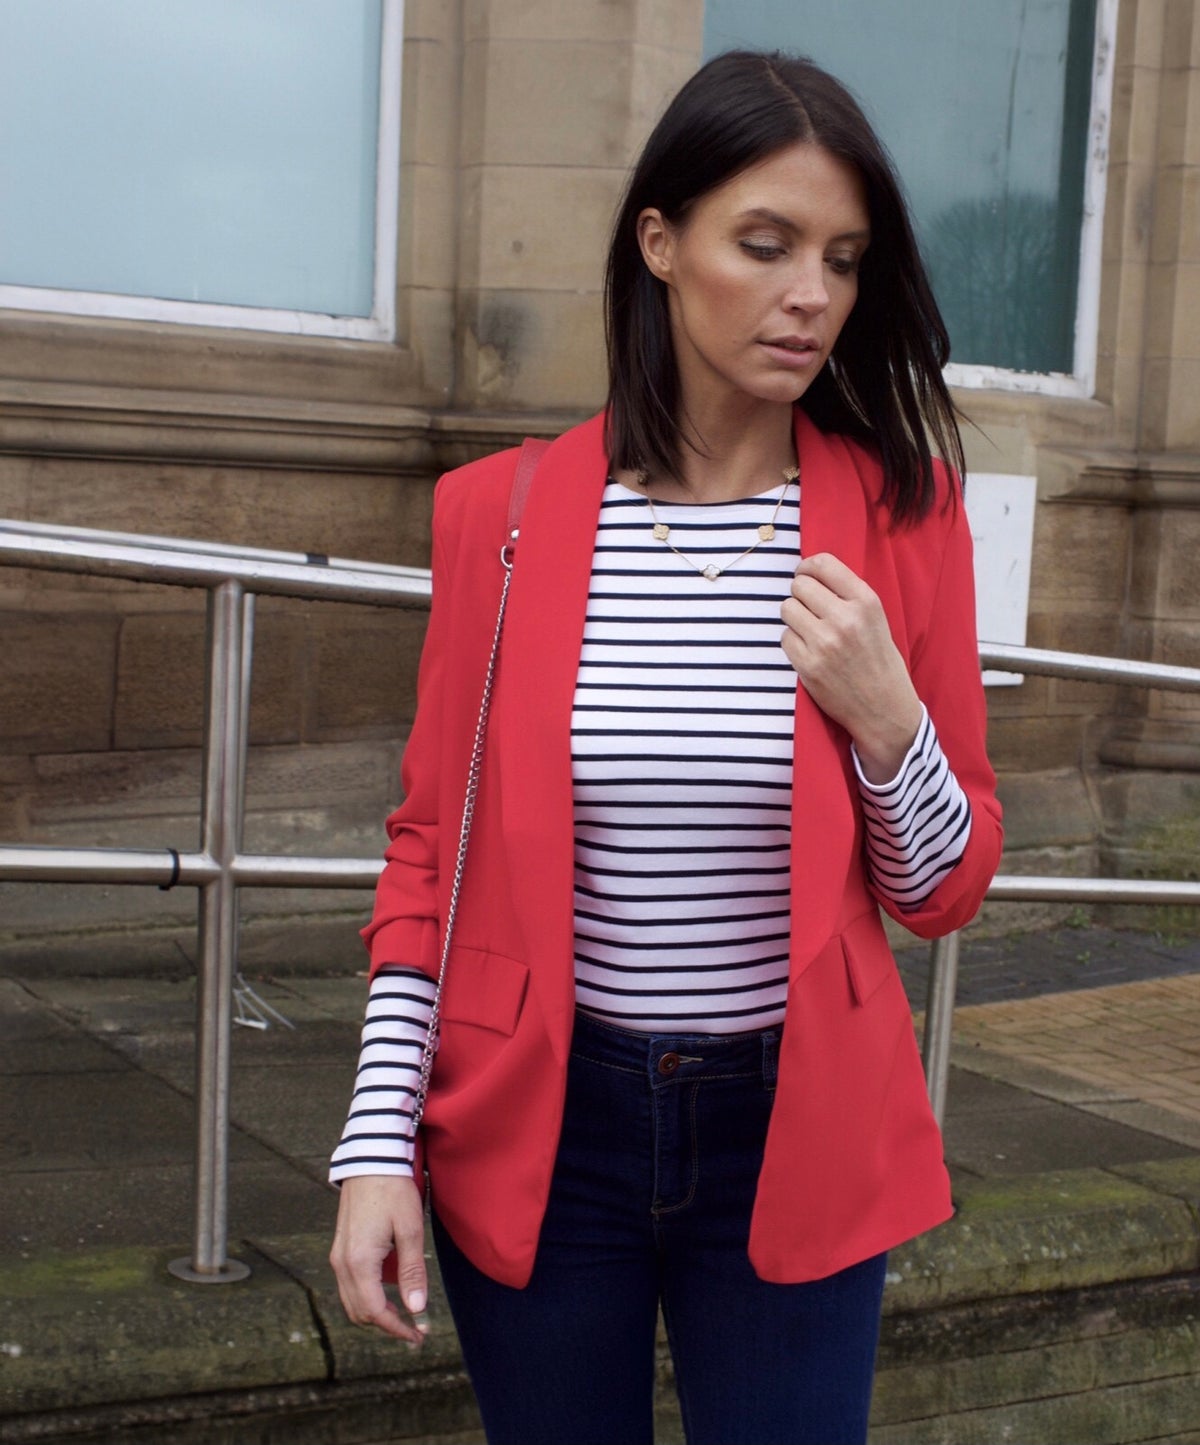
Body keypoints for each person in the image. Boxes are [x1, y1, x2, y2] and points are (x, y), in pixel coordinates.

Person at [329, 49, 1003, 1445]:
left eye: (840, 256)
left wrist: (889, 721)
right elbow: (429, 861)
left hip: (794, 1121)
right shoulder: (497, 519)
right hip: (544, 1119)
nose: (808, 293)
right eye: (763, 244)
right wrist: (374, 1144)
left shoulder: (903, 514)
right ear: (660, 242)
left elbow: (939, 891)